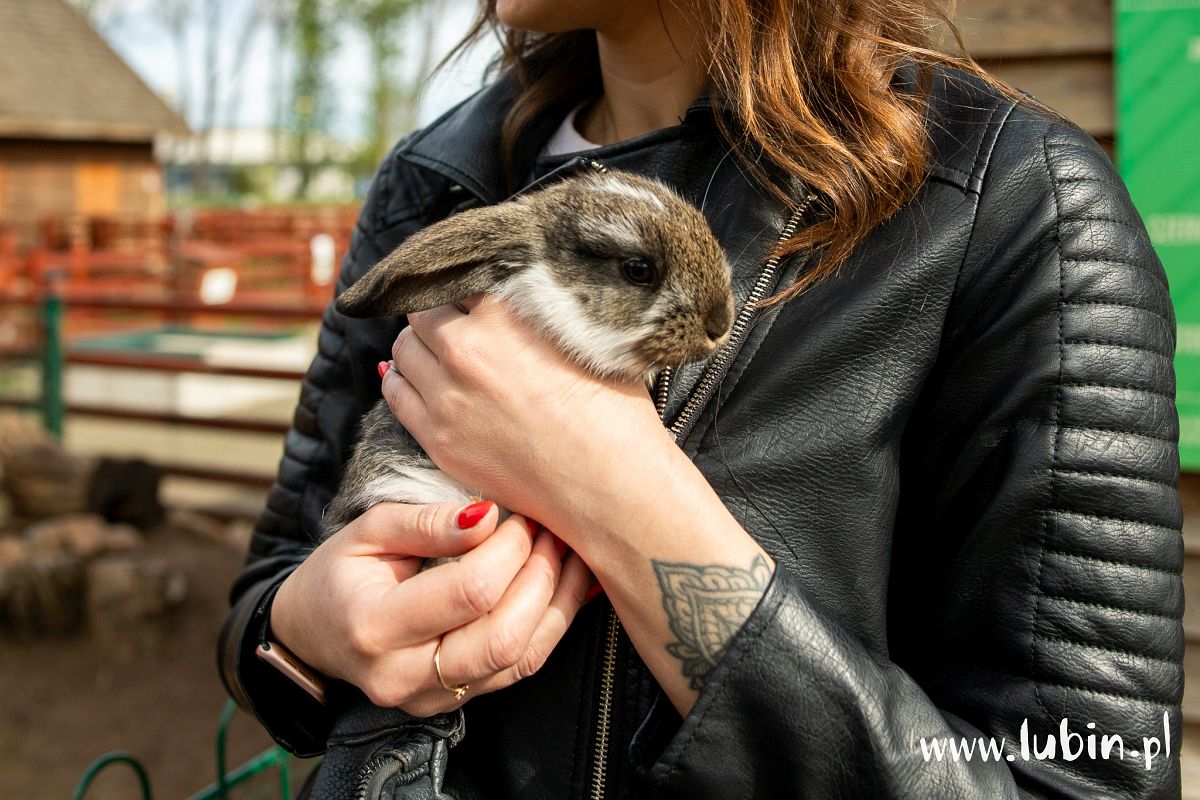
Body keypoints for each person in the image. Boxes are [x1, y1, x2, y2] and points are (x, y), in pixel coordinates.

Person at [218, 1, 1186, 797]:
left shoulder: (1016, 203)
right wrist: (307, 626)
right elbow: (265, 602)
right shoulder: (436, 179)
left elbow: (1085, 775)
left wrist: (619, 495)